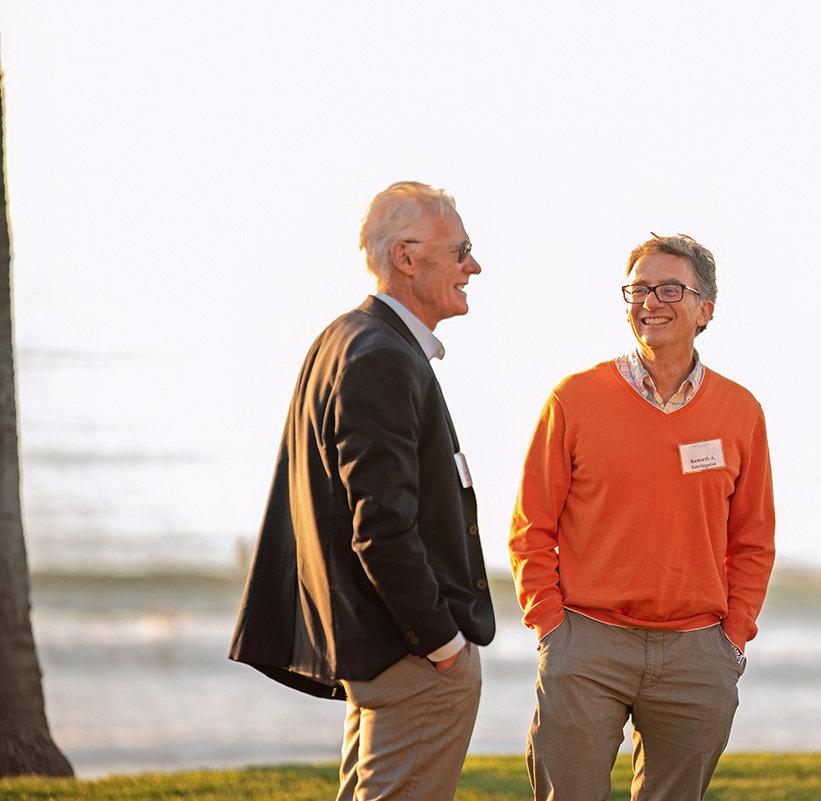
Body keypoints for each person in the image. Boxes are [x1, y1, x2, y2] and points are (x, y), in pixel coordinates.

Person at [229, 181, 495, 801]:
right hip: (410, 657)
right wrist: (443, 645)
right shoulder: (380, 356)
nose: (473, 267)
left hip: (386, 650)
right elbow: (379, 528)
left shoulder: (349, 338)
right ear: (406, 257)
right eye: (460, 250)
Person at [509, 233, 776, 801]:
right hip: (586, 644)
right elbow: (532, 527)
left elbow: (753, 539)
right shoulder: (574, 399)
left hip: (698, 654)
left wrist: (733, 639)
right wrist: (550, 626)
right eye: (638, 289)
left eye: (669, 289)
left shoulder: (741, 411)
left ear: (706, 308)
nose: (650, 301)